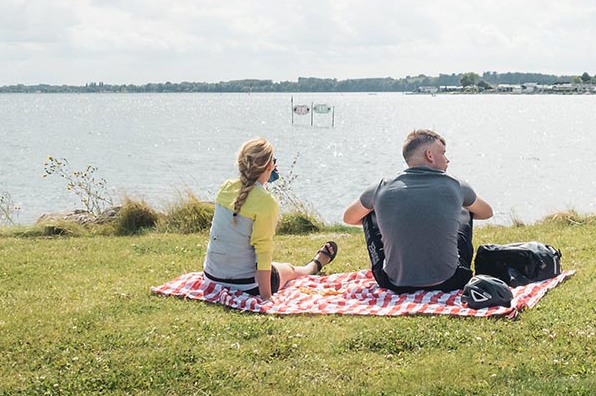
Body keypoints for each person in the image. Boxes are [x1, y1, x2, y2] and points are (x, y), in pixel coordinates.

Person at [342, 128, 493, 293]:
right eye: (443, 153)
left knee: (369, 213)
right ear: (429, 155)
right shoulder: (457, 185)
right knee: (465, 210)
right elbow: (486, 212)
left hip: (394, 283)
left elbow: (349, 218)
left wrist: (386, 216)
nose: (447, 159)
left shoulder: (380, 187)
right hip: (451, 280)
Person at [203, 137, 336, 300]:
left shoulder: (226, 187)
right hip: (247, 285)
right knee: (289, 270)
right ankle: (314, 266)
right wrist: (265, 296)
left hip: (211, 278)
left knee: (272, 265)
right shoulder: (266, 203)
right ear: (269, 166)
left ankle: (310, 266)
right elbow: (263, 251)